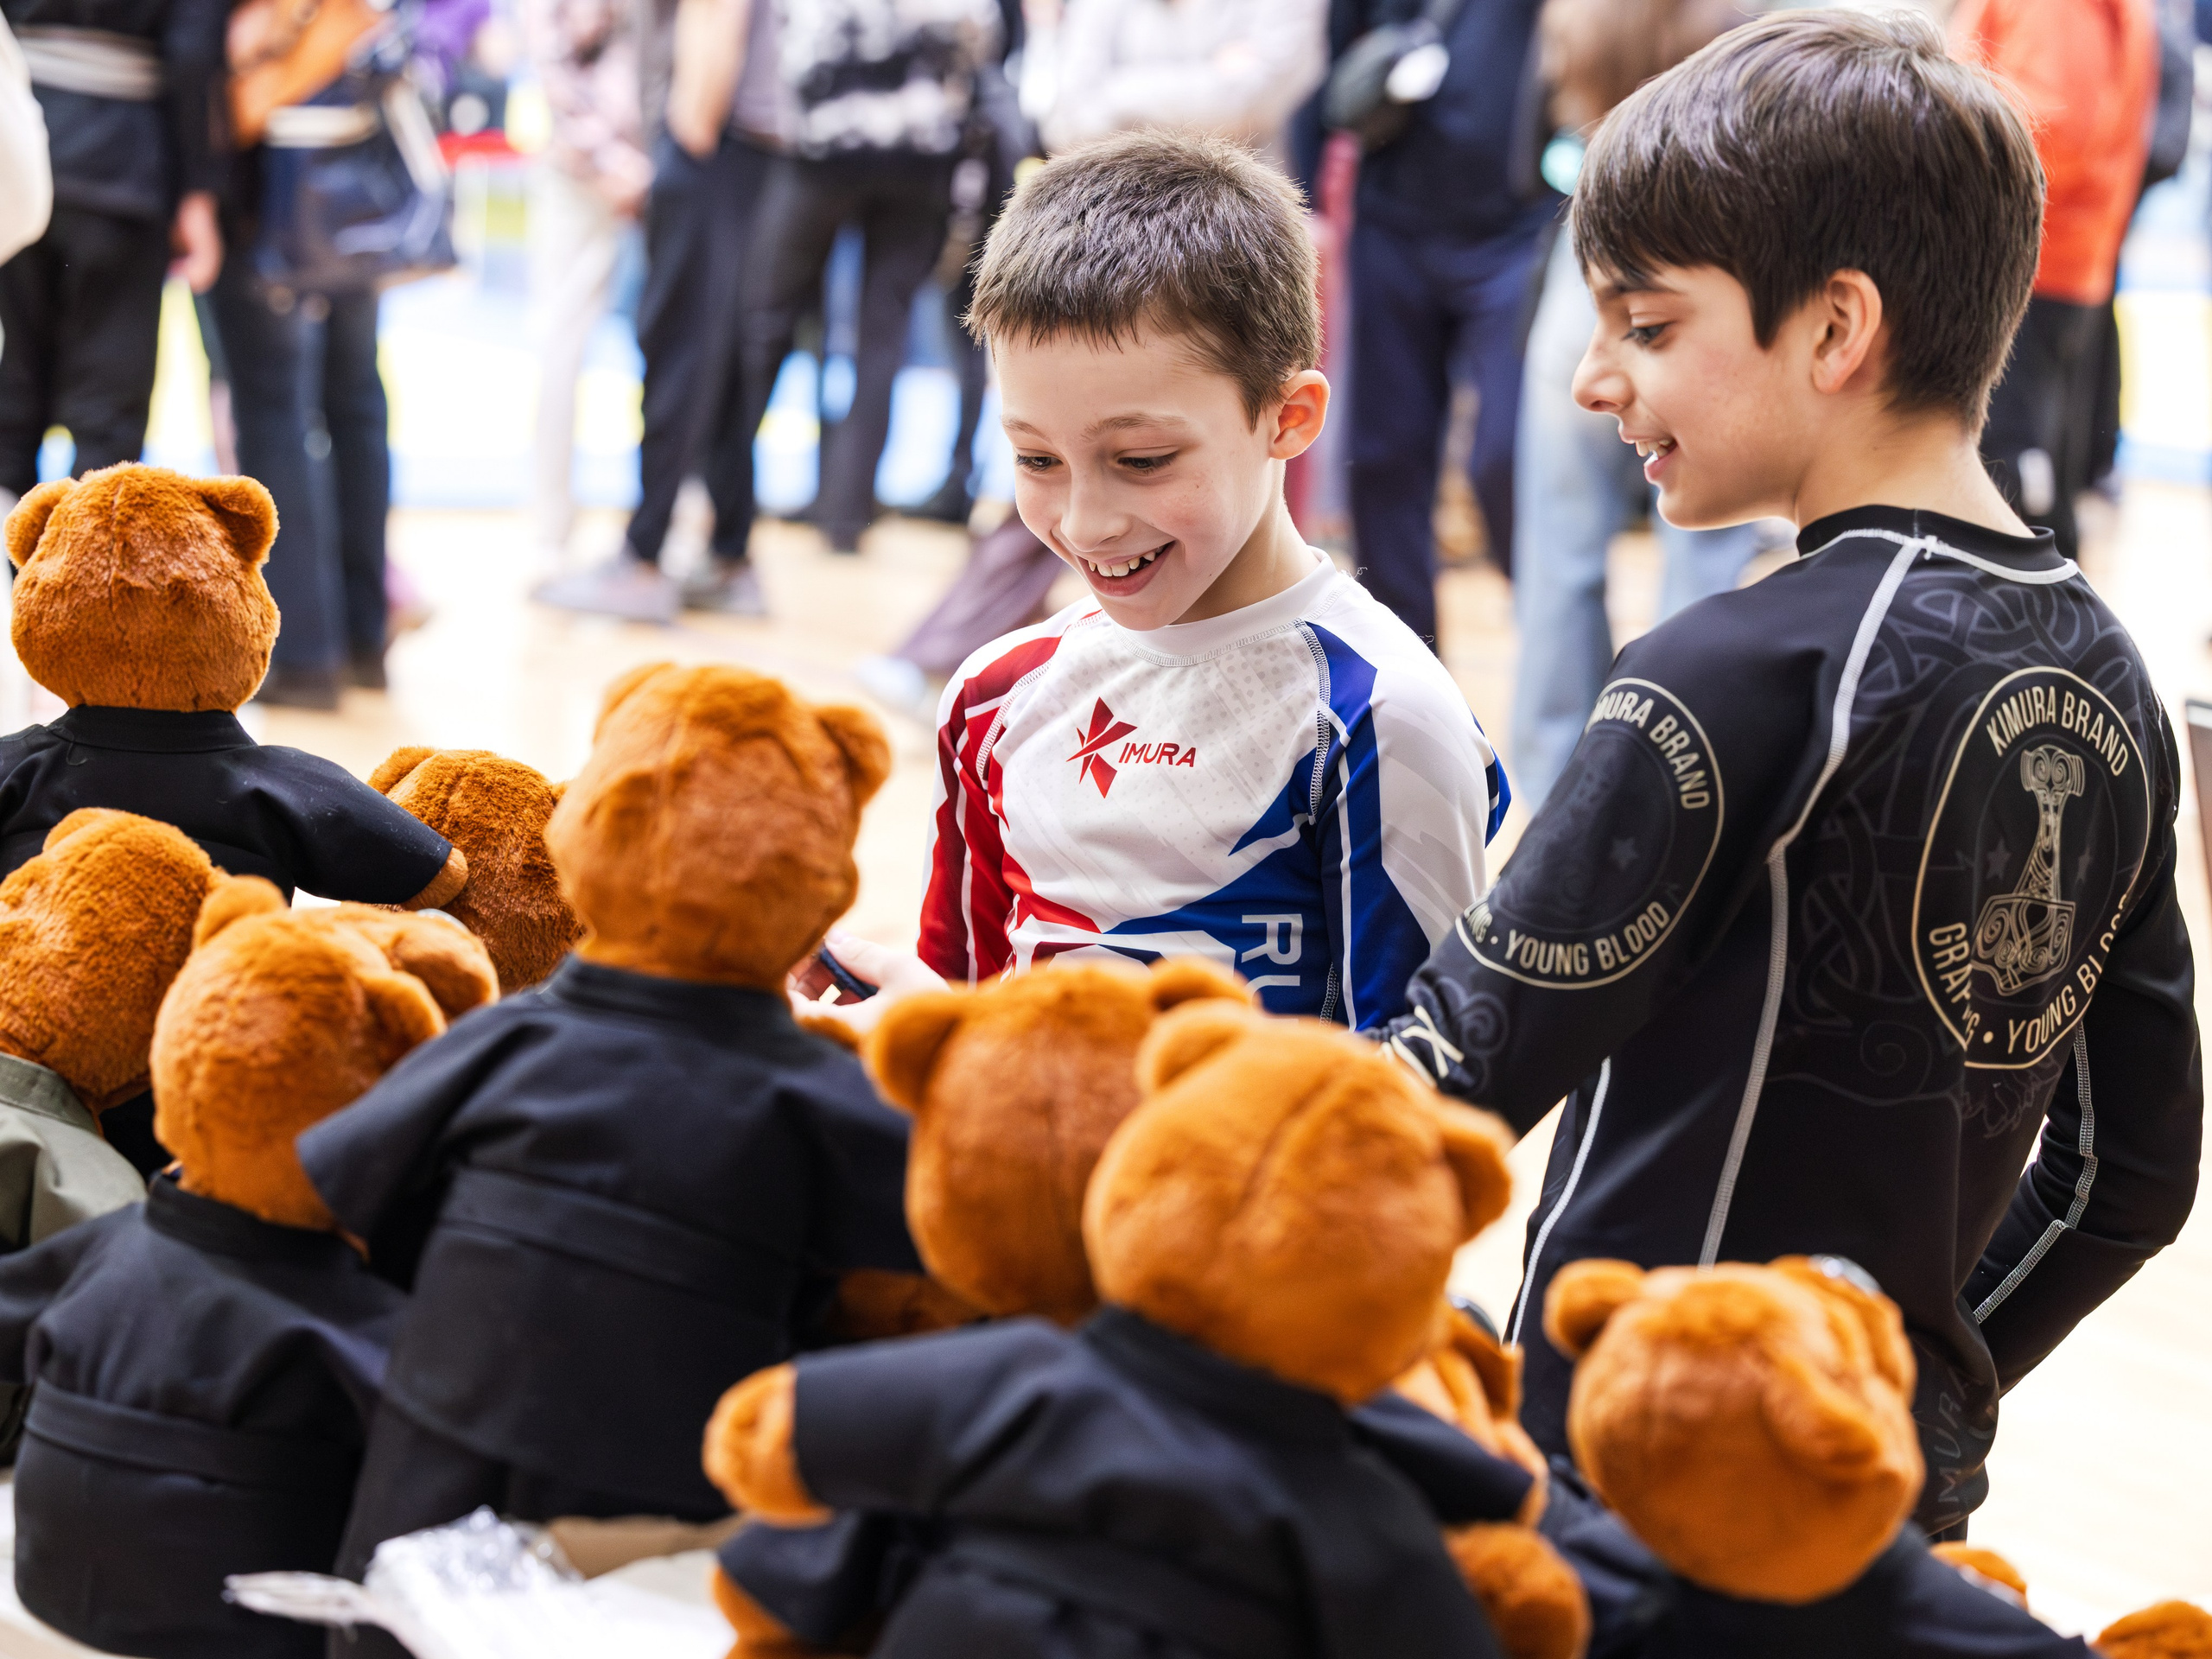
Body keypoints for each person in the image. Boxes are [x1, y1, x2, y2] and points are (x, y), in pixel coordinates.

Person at [1376, 10, 2201, 1541]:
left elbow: (1440, 1090)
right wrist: (1898, 1391)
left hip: (1629, 1500)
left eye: (1647, 325)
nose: (1594, 381)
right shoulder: (2113, 683)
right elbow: (2131, 1178)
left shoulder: (1726, 677)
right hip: (1876, 1514)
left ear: (1834, 330)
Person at [914, 130, 1509, 1033]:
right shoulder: (992, 700)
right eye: (1036, 459)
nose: (1085, 522)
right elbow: (953, 1025)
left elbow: (1415, 1090)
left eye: (1142, 459)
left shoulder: (1375, 715)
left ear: (1288, 417)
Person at [1507, 0, 1762, 813]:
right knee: (1704, 554)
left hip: (1587, 263)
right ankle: (1678, 785)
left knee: (1558, 555)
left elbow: (1528, 159)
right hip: (1705, 268)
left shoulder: (1579, 19)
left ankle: (1556, 801)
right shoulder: (1736, 32)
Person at [532, 0, 781, 622]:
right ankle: (729, 555)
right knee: (721, 357)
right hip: (751, 142)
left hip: (712, 140)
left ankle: (643, 560)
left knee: (680, 352)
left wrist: (687, 134)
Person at [728, 0, 1001, 557]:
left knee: (767, 324)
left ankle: (725, 501)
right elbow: (978, 35)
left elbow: (797, 41)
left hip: (826, 147)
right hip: (918, 153)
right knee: (880, 339)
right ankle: (845, 517)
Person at [1330, 0, 1558, 645]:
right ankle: (1404, 662)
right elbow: (1334, 62)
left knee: (1508, 452)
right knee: (1383, 457)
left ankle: (1548, 636)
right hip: (1392, 221)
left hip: (1521, 228)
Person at [1953, 0, 2156, 563]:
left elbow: (2052, 126)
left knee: (2014, 466)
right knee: (2042, 454)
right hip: (2063, 256)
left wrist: (1957, 203)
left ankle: (2028, 591)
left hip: (2034, 259)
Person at [0, 0, 225, 507]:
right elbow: (192, 48)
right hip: (123, 169)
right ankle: (86, 557)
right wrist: (198, 192)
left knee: (12, 394)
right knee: (108, 416)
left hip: (18, 159)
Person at [518, 0, 651, 566]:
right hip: (587, 170)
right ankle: (551, 528)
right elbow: (553, 55)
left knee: (680, 344)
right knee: (561, 346)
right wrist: (616, 164)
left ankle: (675, 520)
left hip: (658, 164)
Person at [1040, 0, 1326, 158]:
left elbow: (1257, 100)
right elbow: (1065, 121)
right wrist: (1214, 78)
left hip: (1245, 211)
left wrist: (1110, 95)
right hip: (1119, 207)